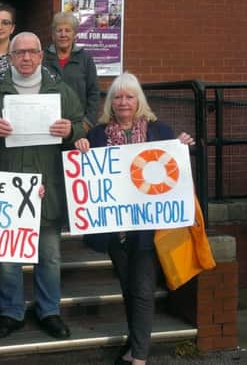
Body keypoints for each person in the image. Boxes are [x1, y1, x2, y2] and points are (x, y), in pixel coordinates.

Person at [74, 72, 195, 365]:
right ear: (111, 103)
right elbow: (89, 177)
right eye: (117, 97)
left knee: (141, 289)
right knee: (128, 288)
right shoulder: (98, 135)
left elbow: (174, 170)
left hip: (148, 228)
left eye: (129, 96)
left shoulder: (160, 132)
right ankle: (135, 340)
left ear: (139, 99)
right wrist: (83, 149)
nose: (123, 102)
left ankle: (139, 355)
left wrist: (181, 146)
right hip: (116, 229)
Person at [0, 32, 85, 340]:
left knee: (49, 257)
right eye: (19, 53)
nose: (25, 58)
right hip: (7, 188)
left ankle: (49, 311)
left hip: (47, 188)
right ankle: (11, 312)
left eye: (32, 52)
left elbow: (84, 124)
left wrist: (71, 130)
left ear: (40, 56)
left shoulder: (59, 89)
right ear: (10, 57)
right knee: (7, 258)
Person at [43, 11, 99, 129]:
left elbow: (93, 93)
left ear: (75, 35)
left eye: (67, 30)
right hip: (48, 125)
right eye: (59, 30)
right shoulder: (43, 58)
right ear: (53, 35)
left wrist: (88, 122)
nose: (63, 35)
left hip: (77, 126)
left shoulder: (85, 59)